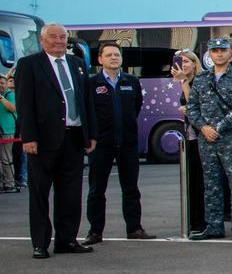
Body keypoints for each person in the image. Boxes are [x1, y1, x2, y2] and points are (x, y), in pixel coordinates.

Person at [13, 23, 96, 258]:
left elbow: (86, 101)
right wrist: (28, 136)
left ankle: (67, 240)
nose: (59, 41)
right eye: (53, 37)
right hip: (43, 140)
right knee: (40, 193)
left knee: (70, 193)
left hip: (73, 137)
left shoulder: (77, 64)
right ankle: (40, 243)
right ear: (42, 39)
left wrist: (91, 134)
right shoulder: (29, 65)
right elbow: (24, 103)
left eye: (63, 37)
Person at [84, 41, 154, 243]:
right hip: (101, 145)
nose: (114, 58)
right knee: (97, 190)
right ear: (100, 59)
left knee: (131, 189)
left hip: (128, 144)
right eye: (109, 55)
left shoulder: (131, 81)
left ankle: (134, 229)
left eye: (117, 55)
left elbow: (136, 108)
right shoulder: (92, 83)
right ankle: (95, 231)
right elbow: (88, 112)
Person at [185, 37, 232, 241]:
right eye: (215, 51)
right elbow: (192, 107)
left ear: (230, 54)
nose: (219, 54)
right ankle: (213, 225)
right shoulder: (202, 79)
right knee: (211, 183)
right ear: (210, 54)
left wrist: (218, 127)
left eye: (223, 50)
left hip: (231, 137)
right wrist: (203, 127)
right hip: (206, 139)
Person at [170, 49, 205, 232]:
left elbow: (194, 104)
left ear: (194, 63)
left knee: (199, 180)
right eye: (180, 61)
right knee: (191, 180)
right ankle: (193, 218)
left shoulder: (200, 80)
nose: (183, 65)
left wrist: (183, 81)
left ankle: (200, 220)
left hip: (201, 137)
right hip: (190, 135)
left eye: (186, 61)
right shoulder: (187, 80)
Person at [0, 74, 16, 193]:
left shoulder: (9, 95)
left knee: (6, 159)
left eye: (2, 83)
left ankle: (10, 183)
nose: (1, 85)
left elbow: (12, 108)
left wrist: (1, 98)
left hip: (7, 131)